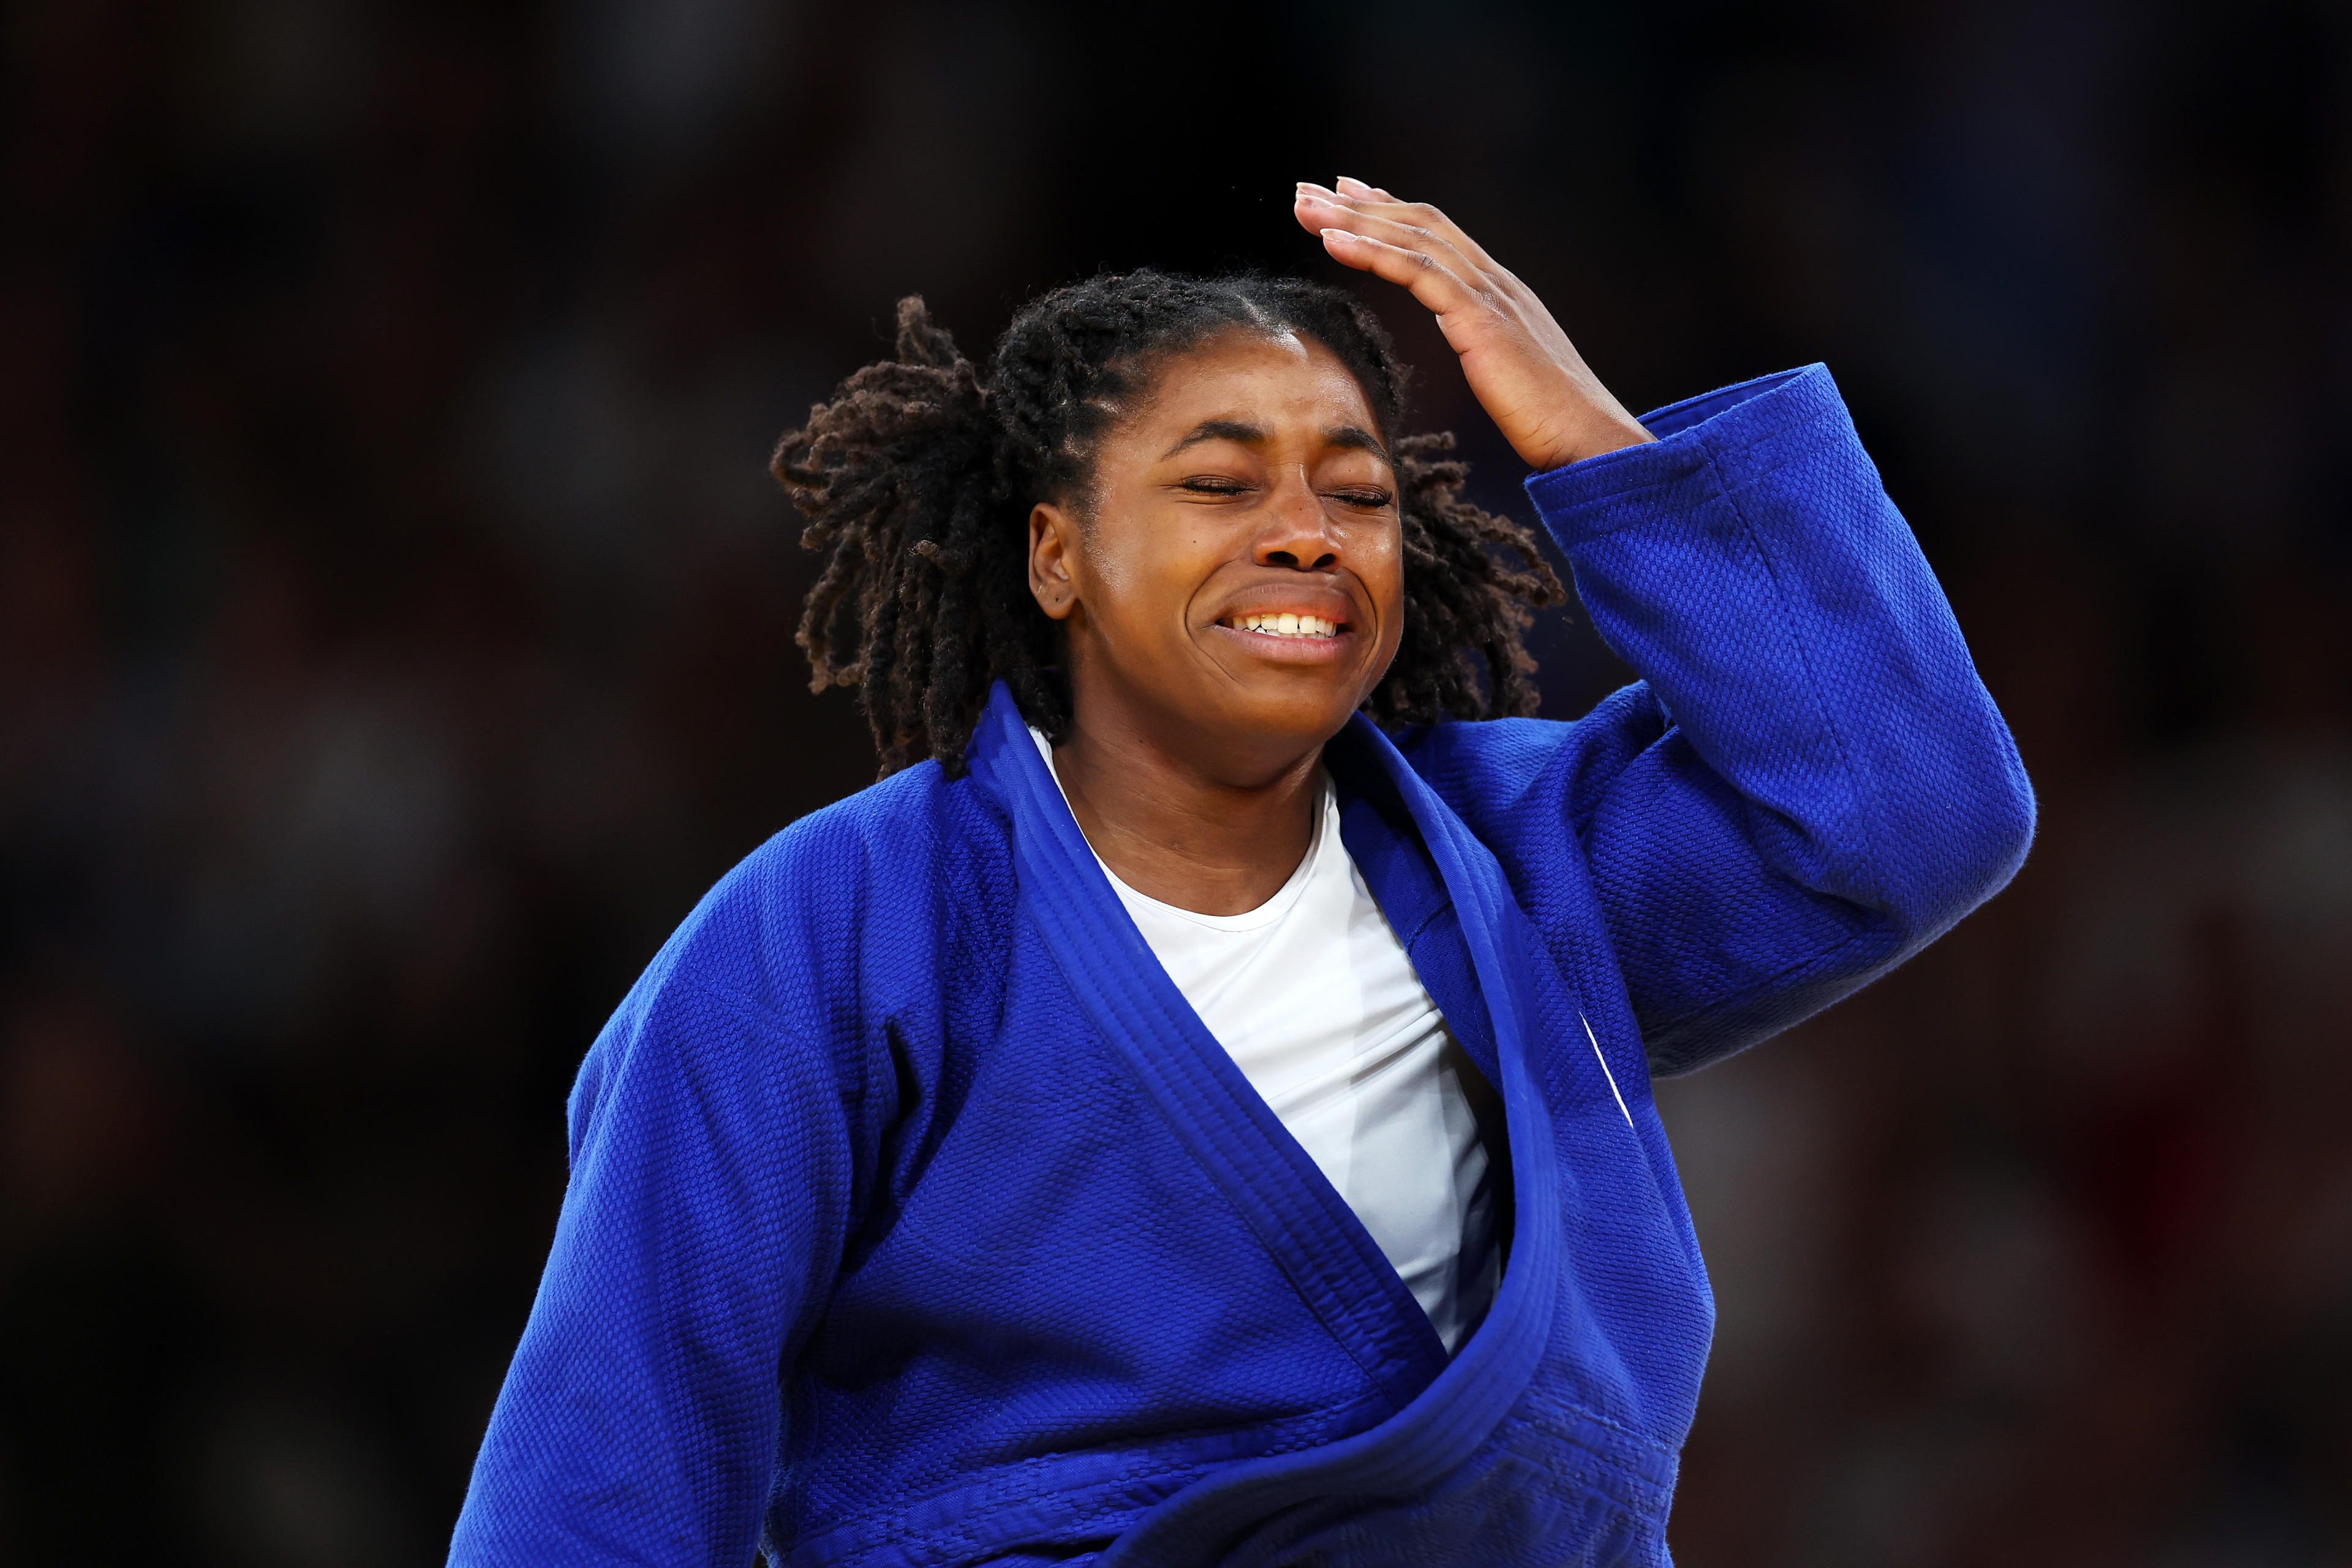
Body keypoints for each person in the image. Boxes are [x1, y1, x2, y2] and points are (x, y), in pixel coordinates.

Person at [447, 178, 2034, 1566]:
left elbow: (1912, 813)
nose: (1307, 534)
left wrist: (1598, 447)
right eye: (1219, 483)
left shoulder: (1513, 860)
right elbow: (606, 1472)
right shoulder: (833, 935)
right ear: (1056, 554)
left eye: (1359, 492)